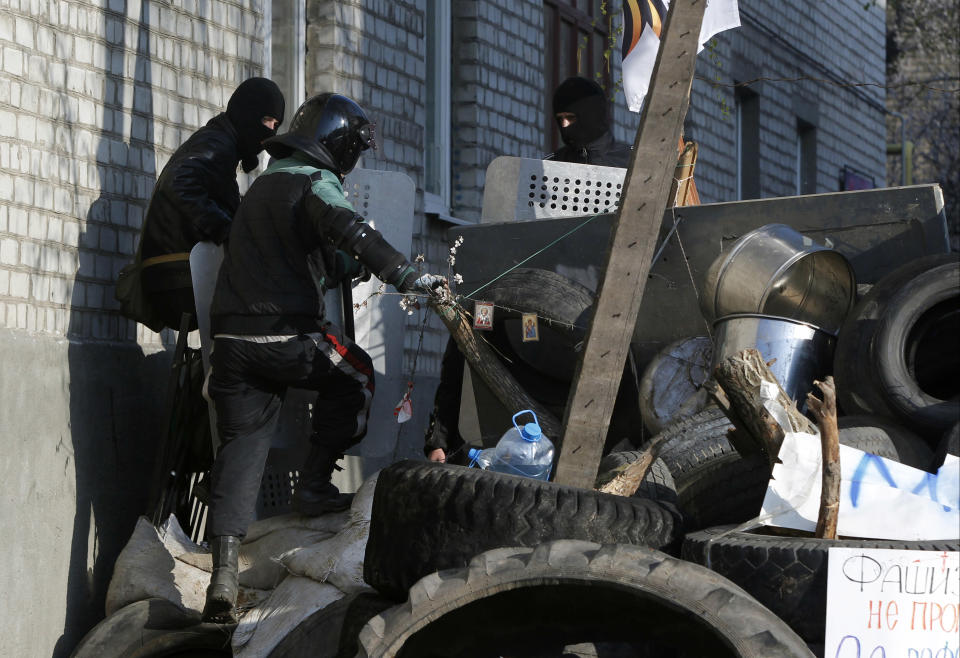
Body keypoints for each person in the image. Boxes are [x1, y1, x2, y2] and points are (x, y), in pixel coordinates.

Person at [201, 92, 444, 624]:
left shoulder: (263, 185)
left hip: (232, 344)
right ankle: (313, 487)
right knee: (355, 375)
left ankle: (222, 573)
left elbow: (301, 253)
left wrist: (339, 266)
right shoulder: (316, 181)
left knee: (241, 447)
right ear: (340, 144)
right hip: (286, 335)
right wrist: (408, 277)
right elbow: (351, 232)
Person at [422, 76, 631, 466]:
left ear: (594, 115)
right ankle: (443, 442)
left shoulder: (635, 166)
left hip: (606, 312)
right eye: (559, 119)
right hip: (535, 318)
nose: (565, 127)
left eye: (573, 117)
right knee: (471, 320)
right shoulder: (545, 170)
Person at [138, 77, 285, 331]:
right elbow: (179, 183)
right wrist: (226, 231)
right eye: (266, 121)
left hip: (174, 268)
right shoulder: (217, 143)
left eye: (276, 125)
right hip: (176, 271)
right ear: (246, 113)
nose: (271, 131)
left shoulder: (221, 143)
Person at [545, 75, 631, 168]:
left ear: (592, 116)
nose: (564, 125)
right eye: (560, 119)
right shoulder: (550, 165)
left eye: (570, 118)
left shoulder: (632, 160)